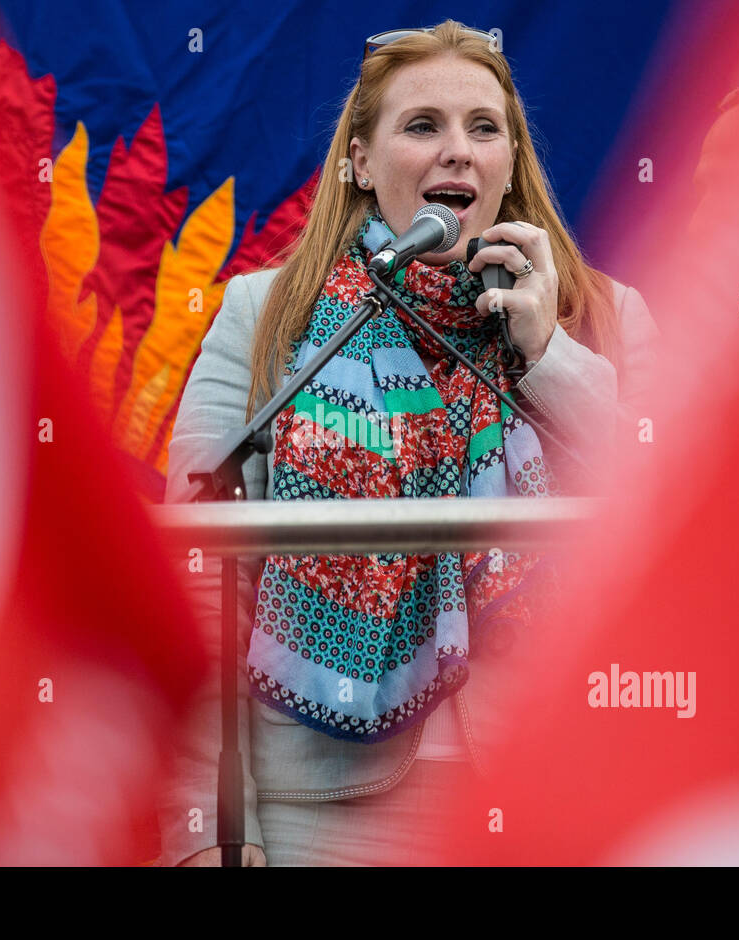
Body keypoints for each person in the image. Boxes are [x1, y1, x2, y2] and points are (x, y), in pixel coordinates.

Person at [156, 20, 660, 866]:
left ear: (509, 164)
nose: (456, 151)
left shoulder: (607, 319)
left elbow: (676, 527)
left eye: (483, 128)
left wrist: (546, 353)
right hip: (313, 811)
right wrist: (197, 828)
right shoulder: (264, 314)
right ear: (359, 161)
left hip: (546, 803)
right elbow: (196, 580)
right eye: (422, 125)